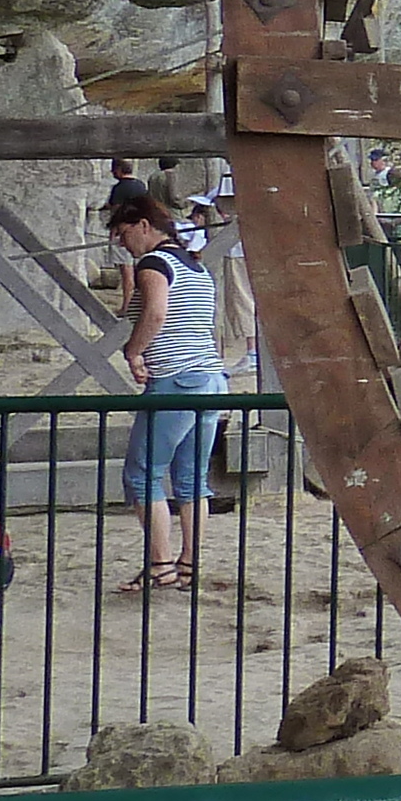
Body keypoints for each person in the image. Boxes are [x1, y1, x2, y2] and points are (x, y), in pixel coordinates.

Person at [106, 185, 225, 594]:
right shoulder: (196, 265)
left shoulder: (154, 263)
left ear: (143, 225)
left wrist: (134, 351)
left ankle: (160, 564)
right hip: (210, 378)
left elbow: (156, 312)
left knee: (142, 475)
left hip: (175, 379)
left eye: (124, 234)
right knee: (192, 480)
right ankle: (188, 563)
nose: (124, 244)